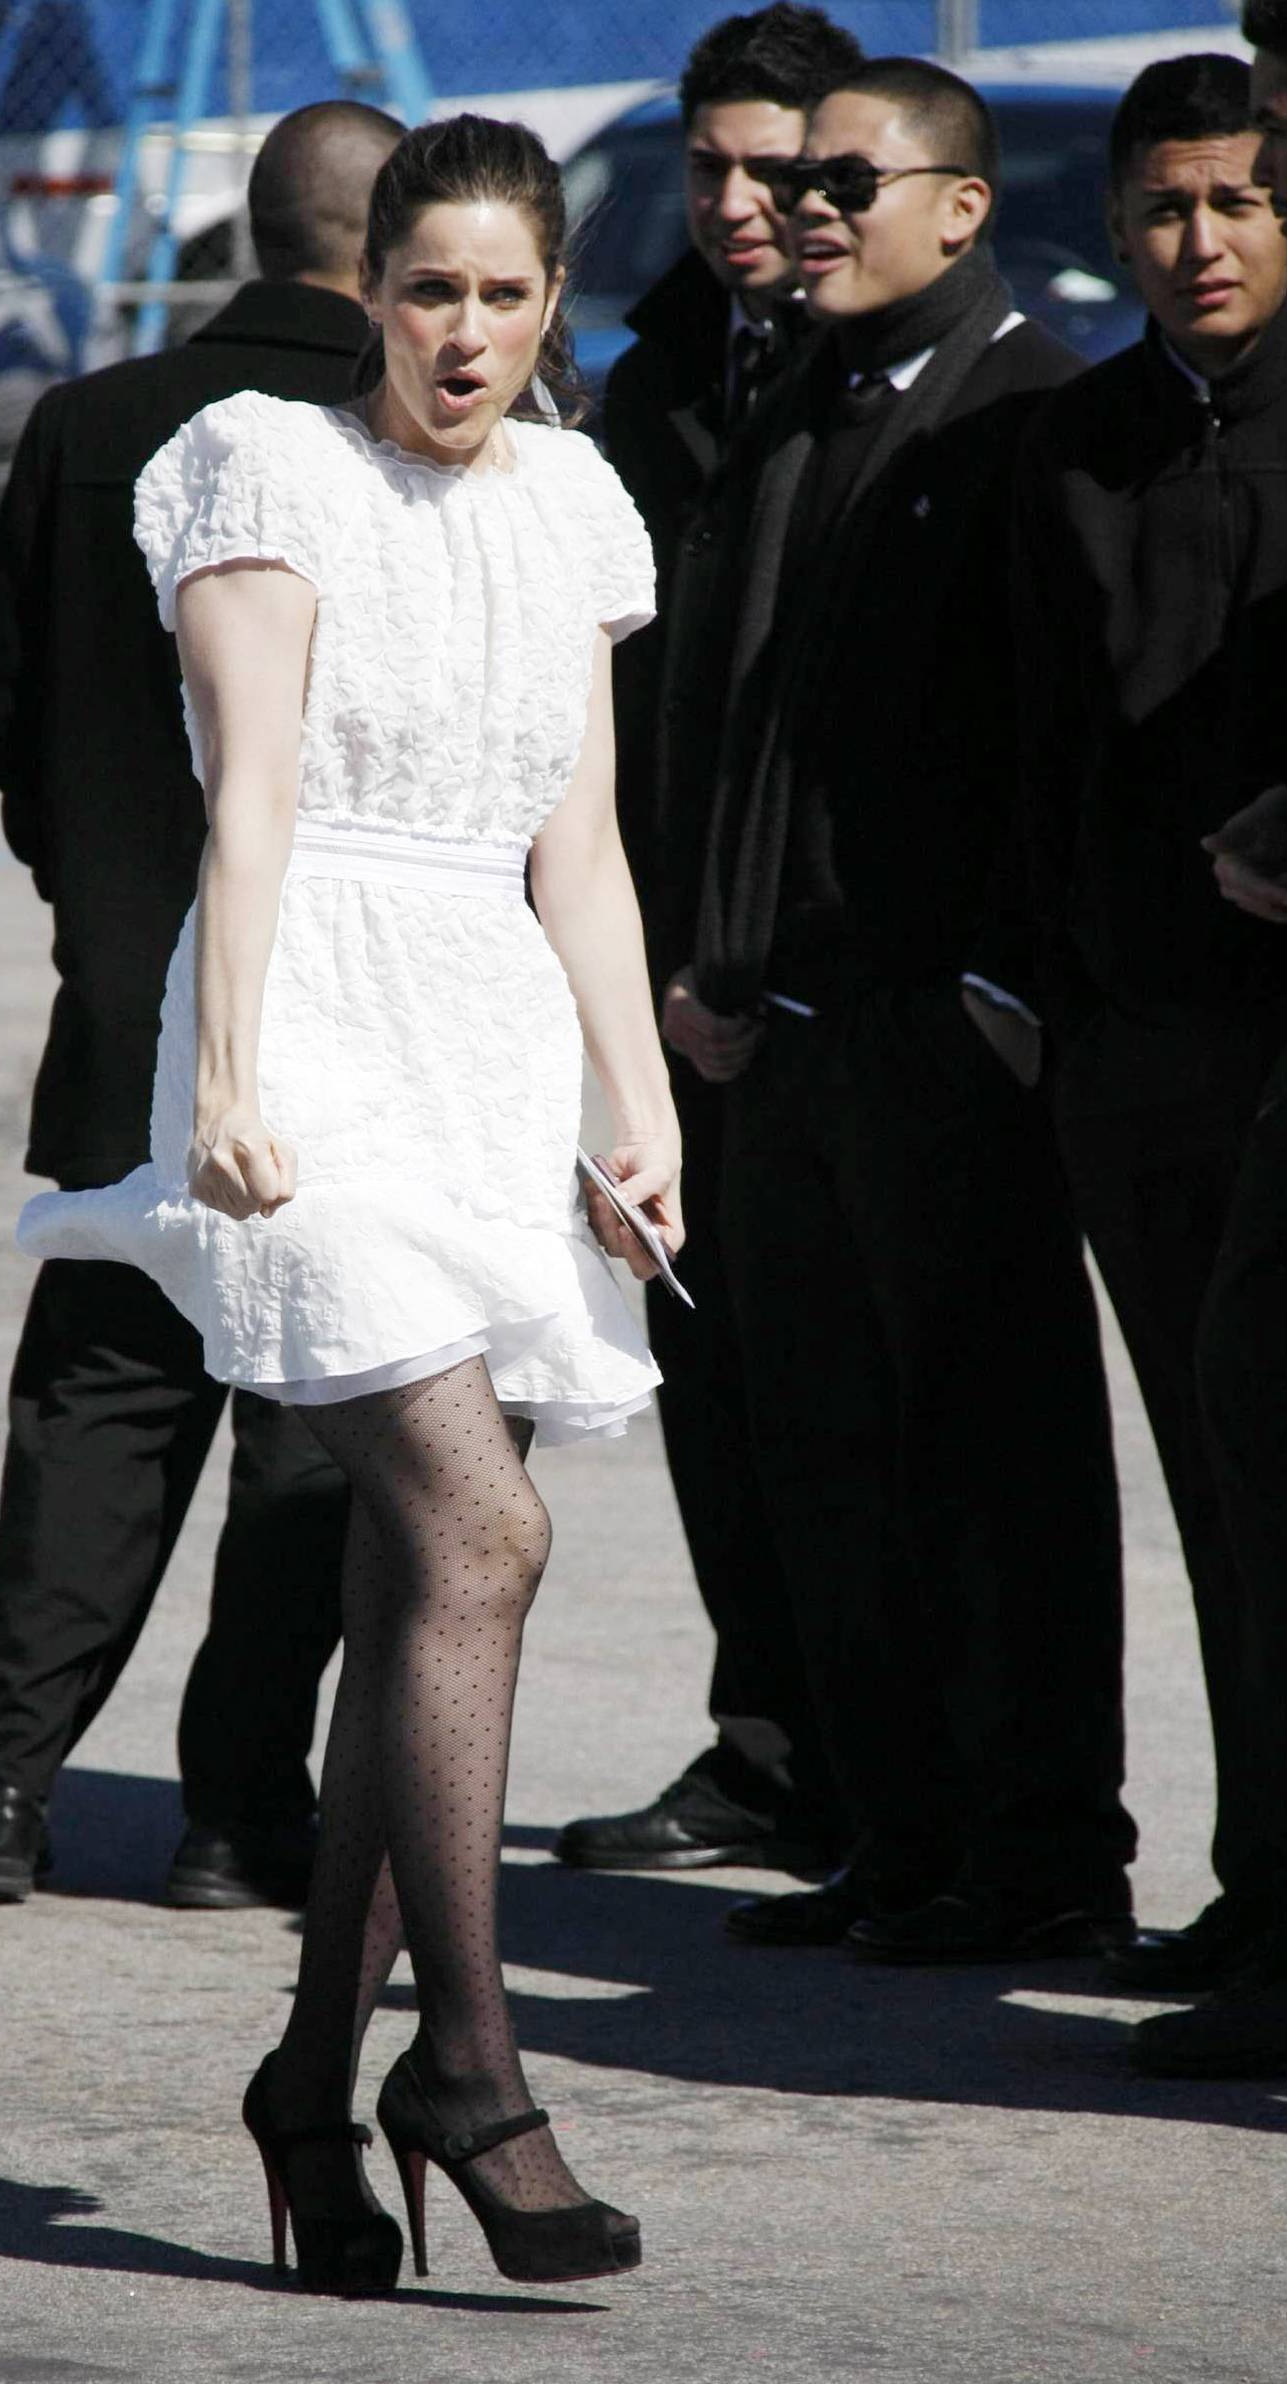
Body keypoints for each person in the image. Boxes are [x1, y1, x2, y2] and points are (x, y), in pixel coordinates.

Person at [17, 115, 679, 2291]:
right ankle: (467, 2068)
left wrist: (639, 1108)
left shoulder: (573, 498)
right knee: (487, 1528)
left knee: (424, 1583)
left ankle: (315, 2077)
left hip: (489, 1048)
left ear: (551, 303)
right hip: (308, 1035)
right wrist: (222, 1081)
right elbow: (255, 796)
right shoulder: (263, 464)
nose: (464, 334)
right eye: (428, 291)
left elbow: (582, 847)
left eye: (504, 295)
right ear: (369, 289)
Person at [664, 56, 1137, 1962]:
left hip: (937, 1032)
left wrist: (996, 992)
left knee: (991, 1457)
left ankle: (1045, 1851)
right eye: (805, 180)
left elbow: (1067, 738)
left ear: (962, 205)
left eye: (854, 181)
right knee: (826, 1453)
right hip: (780, 1029)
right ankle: (898, 1828)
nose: (811, 208)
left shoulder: (1029, 412)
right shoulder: (802, 398)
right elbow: (737, 720)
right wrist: (708, 960)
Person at [0, 102, 403, 1911]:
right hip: (339, 1017)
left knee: (98, 1409)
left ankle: (3, 1791)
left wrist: (98, 895)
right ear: (390, 244)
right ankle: (237, 1810)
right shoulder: (405, 432)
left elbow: (5, 709)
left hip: (127, 1000)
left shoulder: (91, 421)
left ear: (254, 232)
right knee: (307, 1429)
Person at [560, 3, 861, 1883]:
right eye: (709, 170)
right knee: (714, 1372)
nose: (739, 204)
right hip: (663, 966)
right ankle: (770, 1743)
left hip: (832, 967)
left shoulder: (887, 374)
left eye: (777, 172)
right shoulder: (655, 371)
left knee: (858, 1398)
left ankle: (882, 1769)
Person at [1014, 43, 1287, 2077]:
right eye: (1166, 209)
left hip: (1278, 1042)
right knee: (1213, 1488)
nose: (1201, 241)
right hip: (1132, 1050)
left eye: (1237, 202)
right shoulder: (1081, 442)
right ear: (1115, 227)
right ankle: (1260, 1885)